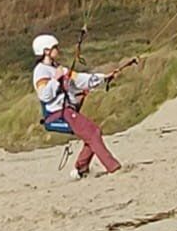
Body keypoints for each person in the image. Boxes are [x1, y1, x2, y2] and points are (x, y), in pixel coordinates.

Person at [30, 33, 139, 180]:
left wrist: (103, 78)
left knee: (93, 133)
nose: (58, 50)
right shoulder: (40, 71)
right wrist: (56, 79)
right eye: (55, 47)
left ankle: (80, 169)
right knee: (93, 133)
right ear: (46, 50)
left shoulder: (58, 68)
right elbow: (44, 95)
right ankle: (113, 168)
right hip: (58, 112)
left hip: (68, 110)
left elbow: (80, 80)